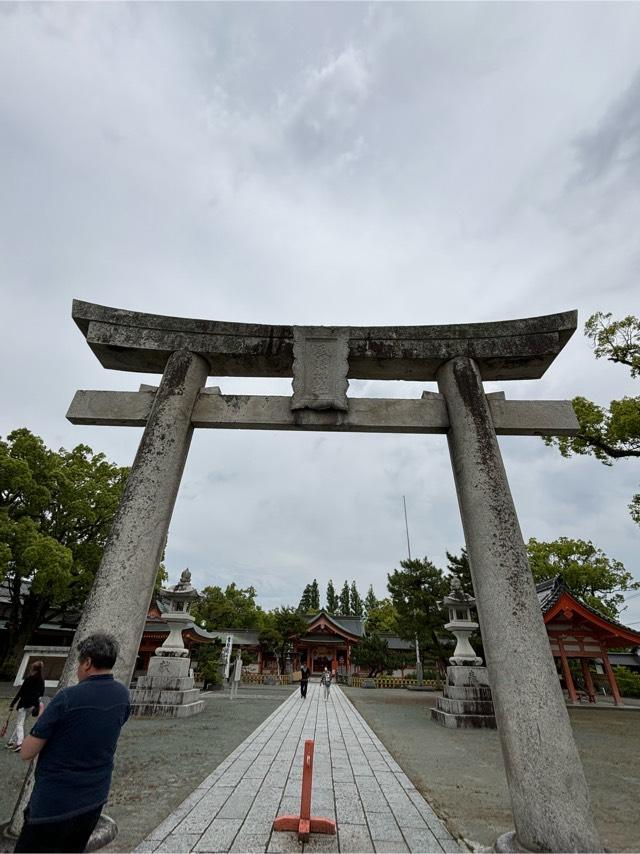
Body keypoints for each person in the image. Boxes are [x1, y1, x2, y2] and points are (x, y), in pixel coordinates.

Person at [14, 633, 131, 854]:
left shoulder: (67, 698)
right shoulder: (123, 695)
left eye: (79, 663)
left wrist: (42, 721)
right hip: (95, 796)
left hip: (54, 802)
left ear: (87, 663)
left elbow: (27, 752)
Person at [8, 661, 45, 752]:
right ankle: (12, 741)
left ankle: (20, 743)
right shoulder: (41, 681)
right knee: (21, 722)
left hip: (24, 704)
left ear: (32, 669)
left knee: (19, 723)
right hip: (33, 706)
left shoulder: (29, 679)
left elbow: (21, 692)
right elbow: (41, 694)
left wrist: (12, 704)